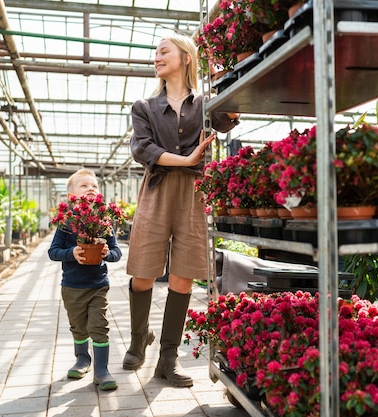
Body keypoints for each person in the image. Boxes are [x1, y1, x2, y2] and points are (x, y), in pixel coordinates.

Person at [124, 32, 239, 387]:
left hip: (194, 193)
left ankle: (167, 357)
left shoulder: (204, 105)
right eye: (155, 53)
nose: (157, 57)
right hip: (157, 189)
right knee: (143, 272)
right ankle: (139, 337)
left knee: (183, 275)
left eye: (163, 51)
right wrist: (187, 158)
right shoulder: (144, 107)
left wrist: (230, 80)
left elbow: (229, 116)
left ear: (186, 57)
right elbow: (142, 148)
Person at [48, 168, 122, 391]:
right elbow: (53, 252)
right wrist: (72, 254)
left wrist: (105, 254)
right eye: (84, 186)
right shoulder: (66, 223)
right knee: (78, 327)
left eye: (94, 186)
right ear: (72, 197)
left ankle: (102, 370)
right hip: (71, 287)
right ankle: (82, 359)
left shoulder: (104, 222)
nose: (91, 188)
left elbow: (117, 253)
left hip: (98, 285)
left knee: (99, 326)